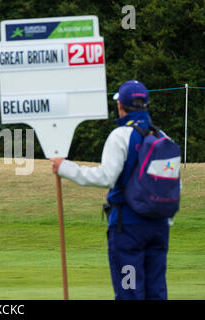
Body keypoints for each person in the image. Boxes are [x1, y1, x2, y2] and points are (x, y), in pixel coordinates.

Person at [51, 80, 171, 300]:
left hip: (128, 229)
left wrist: (65, 168)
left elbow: (105, 176)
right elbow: (173, 185)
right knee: (156, 292)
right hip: (159, 227)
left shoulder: (120, 136)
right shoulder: (162, 137)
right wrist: (165, 222)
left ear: (120, 106)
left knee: (130, 291)